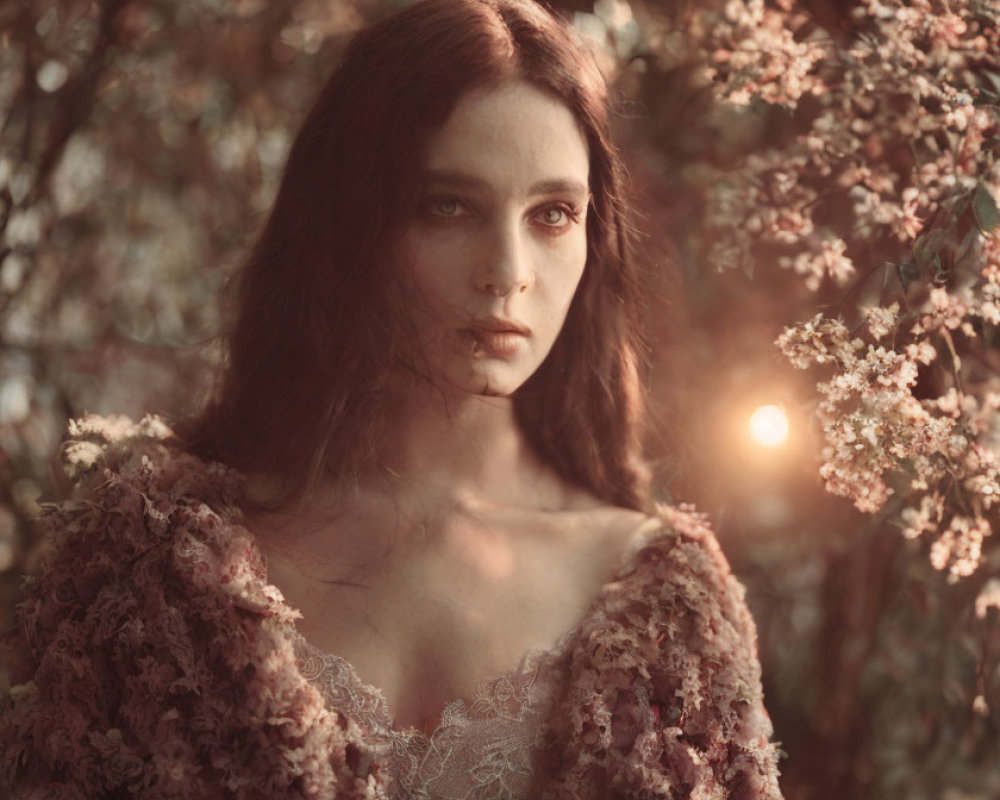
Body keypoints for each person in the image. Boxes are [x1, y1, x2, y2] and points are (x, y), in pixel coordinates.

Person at [0, 0, 783, 797]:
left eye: (553, 214)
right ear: (351, 225)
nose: (508, 269)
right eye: (448, 206)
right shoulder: (151, 559)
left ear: (593, 234)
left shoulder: (665, 602)